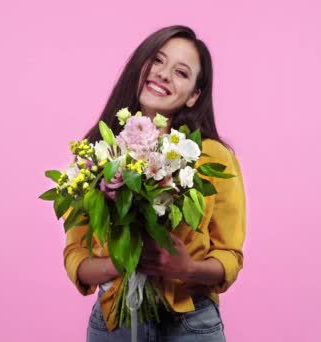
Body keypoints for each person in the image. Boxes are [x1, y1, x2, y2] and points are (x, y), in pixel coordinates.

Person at [62, 25, 246, 342]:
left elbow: (230, 256)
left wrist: (185, 268)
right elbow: (76, 257)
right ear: (141, 66)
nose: (163, 74)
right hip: (115, 324)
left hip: (190, 324)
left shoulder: (211, 157)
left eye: (181, 72)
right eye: (157, 60)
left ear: (194, 96)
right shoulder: (97, 153)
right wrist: (120, 263)